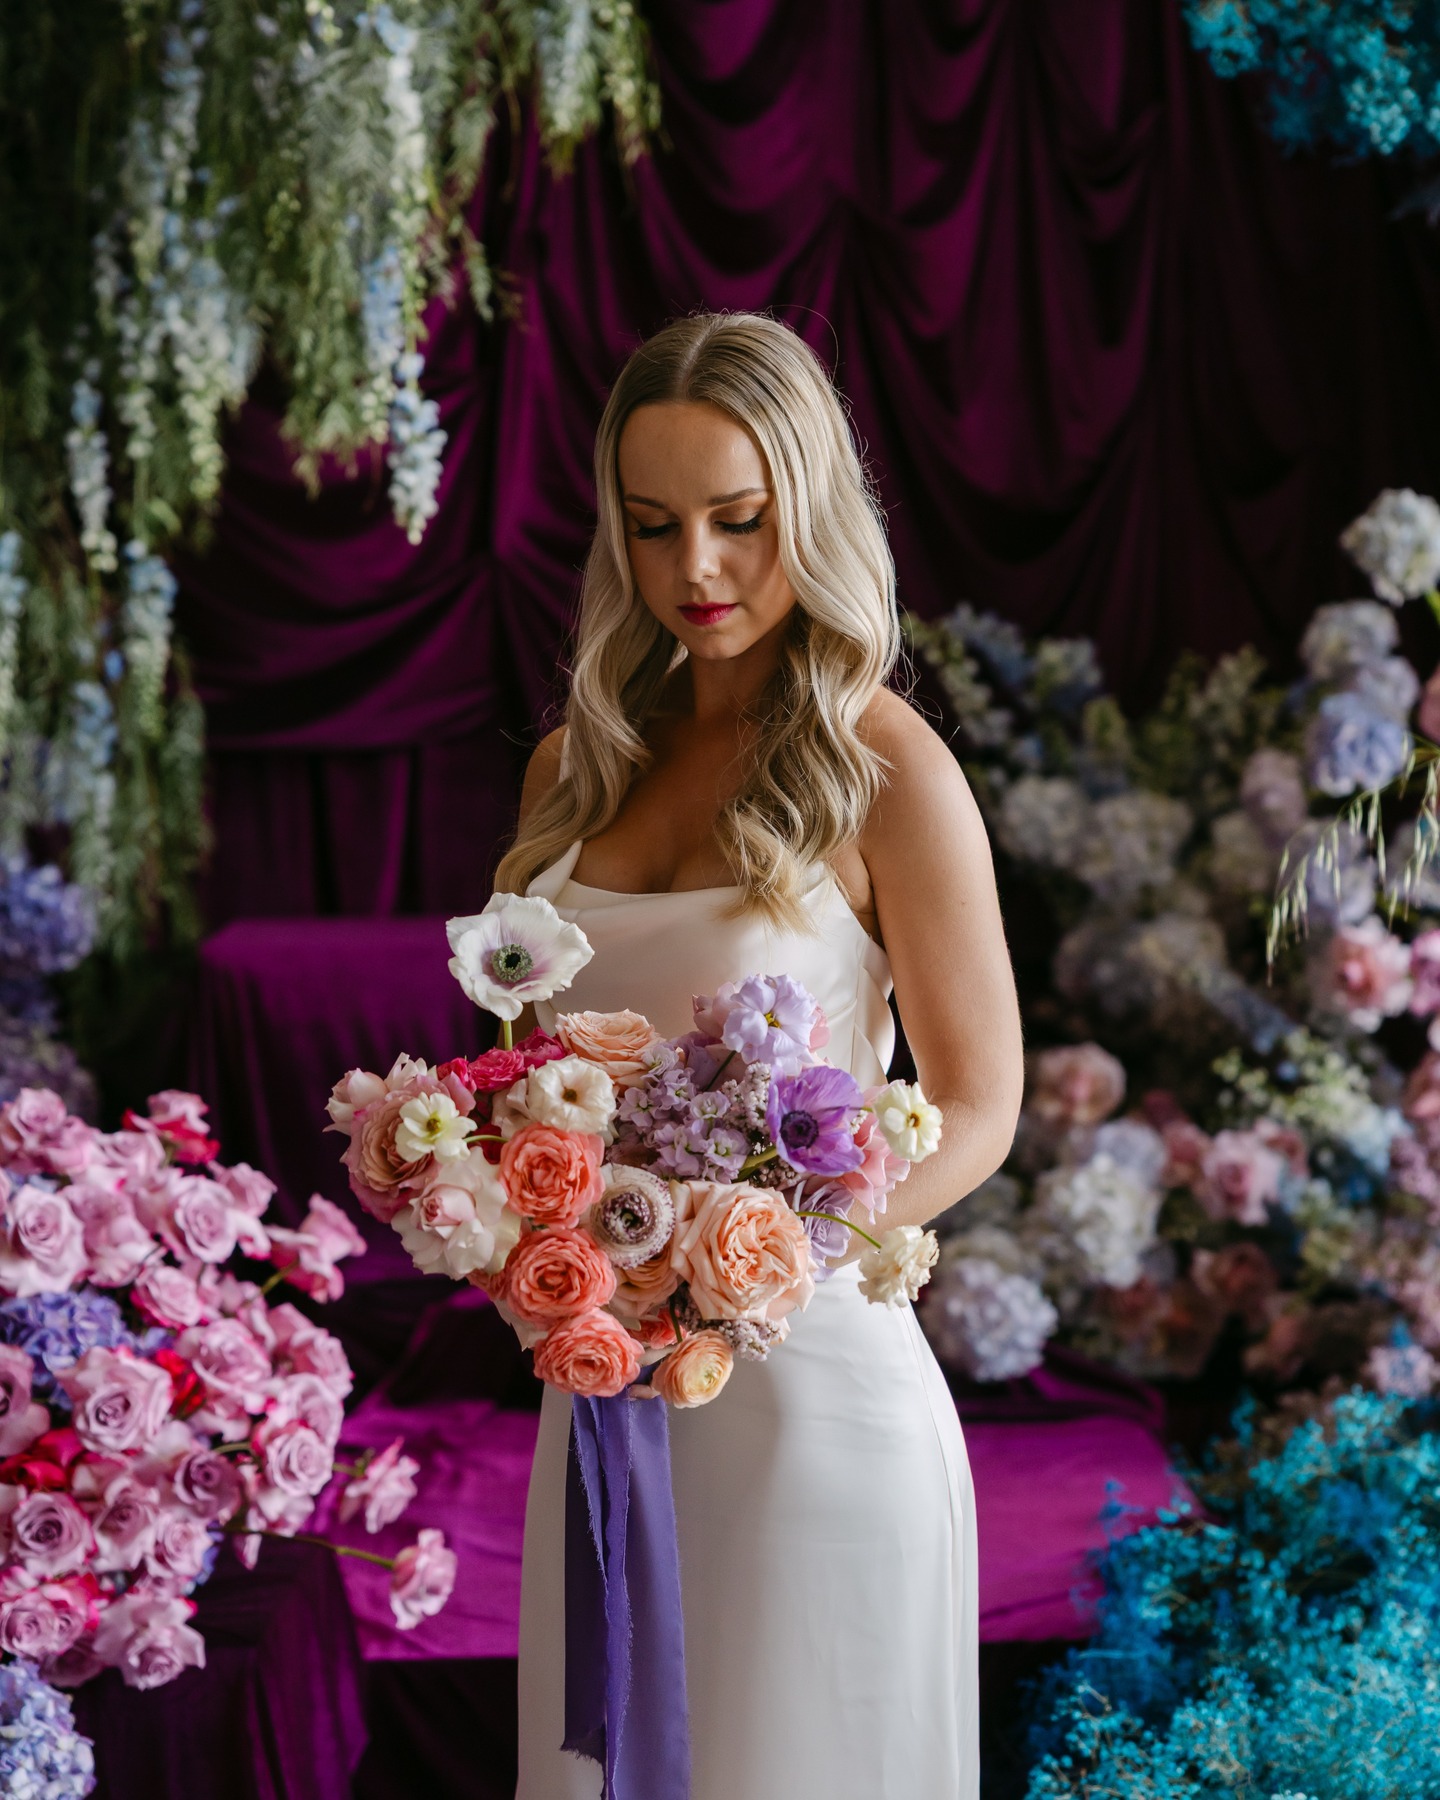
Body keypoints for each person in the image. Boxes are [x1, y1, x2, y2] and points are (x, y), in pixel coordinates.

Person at [496, 311, 1024, 1800]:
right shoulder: (572, 769)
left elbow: (978, 1105)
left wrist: (754, 1260)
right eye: (654, 525)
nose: (698, 569)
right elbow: (527, 1083)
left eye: (740, 520)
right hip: (602, 1393)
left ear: (810, 507)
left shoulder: (887, 766)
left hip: (812, 1398)